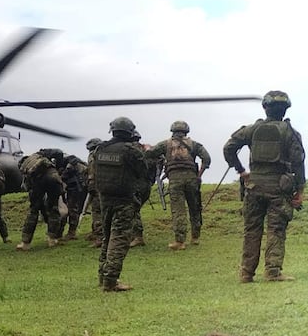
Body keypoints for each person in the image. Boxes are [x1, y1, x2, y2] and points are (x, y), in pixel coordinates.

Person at [223, 90, 305, 283]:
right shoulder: (291, 133)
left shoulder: (251, 130)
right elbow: (298, 163)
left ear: (265, 108)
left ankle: (246, 273)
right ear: (284, 110)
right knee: (276, 229)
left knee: (251, 230)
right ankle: (273, 271)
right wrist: (300, 191)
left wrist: (241, 171)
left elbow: (229, 148)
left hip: (254, 187)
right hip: (279, 188)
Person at [93, 117, 148, 292]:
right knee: (120, 238)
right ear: (130, 132)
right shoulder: (131, 151)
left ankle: (103, 276)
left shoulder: (100, 148)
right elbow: (143, 171)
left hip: (104, 198)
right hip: (124, 200)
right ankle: (111, 281)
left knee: (107, 237)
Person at [148, 121, 211, 249]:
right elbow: (207, 158)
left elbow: (150, 154)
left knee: (178, 209)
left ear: (172, 131)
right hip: (192, 178)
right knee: (195, 207)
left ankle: (180, 241)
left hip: (175, 179)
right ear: (186, 131)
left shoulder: (165, 144)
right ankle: (195, 237)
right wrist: (199, 174)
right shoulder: (194, 144)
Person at [16, 149, 64, 251]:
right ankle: (52, 239)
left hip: (37, 182)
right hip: (53, 176)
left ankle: (25, 243)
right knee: (53, 207)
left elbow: (28, 188)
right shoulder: (40, 154)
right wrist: (59, 169)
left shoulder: (25, 168)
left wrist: (36, 202)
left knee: (33, 211)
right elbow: (59, 152)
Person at [59, 154, 88, 240]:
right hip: (75, 188)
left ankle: (72, 232)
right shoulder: (74, 163)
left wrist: (62, 177)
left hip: (75, 188)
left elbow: (65, 175)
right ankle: (66, 232)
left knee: (72, 209)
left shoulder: (69, 165)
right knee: (71, 209)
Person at [84, 138, 103, 247]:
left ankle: (100, 237)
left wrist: (91, 184)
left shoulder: (93, 156)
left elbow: (92, 171)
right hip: (106, 185)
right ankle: (96, 232)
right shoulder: (104, 153)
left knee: (97, 211)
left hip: (97, 187)